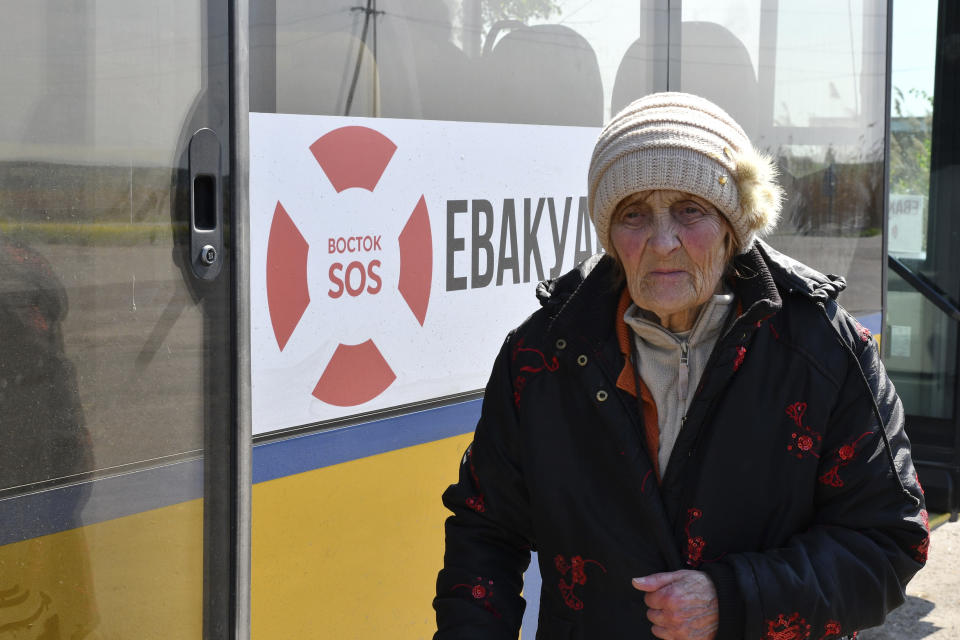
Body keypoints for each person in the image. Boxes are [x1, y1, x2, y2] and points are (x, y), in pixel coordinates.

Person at [433, 92, 928, 640]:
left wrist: (733, 598)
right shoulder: (543, 356)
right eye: (634, 214)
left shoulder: (822, 349)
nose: (662, 241)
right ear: (610, 236)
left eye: (690, 210)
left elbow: (887, 541)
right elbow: (485, 529)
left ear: (733, 225)